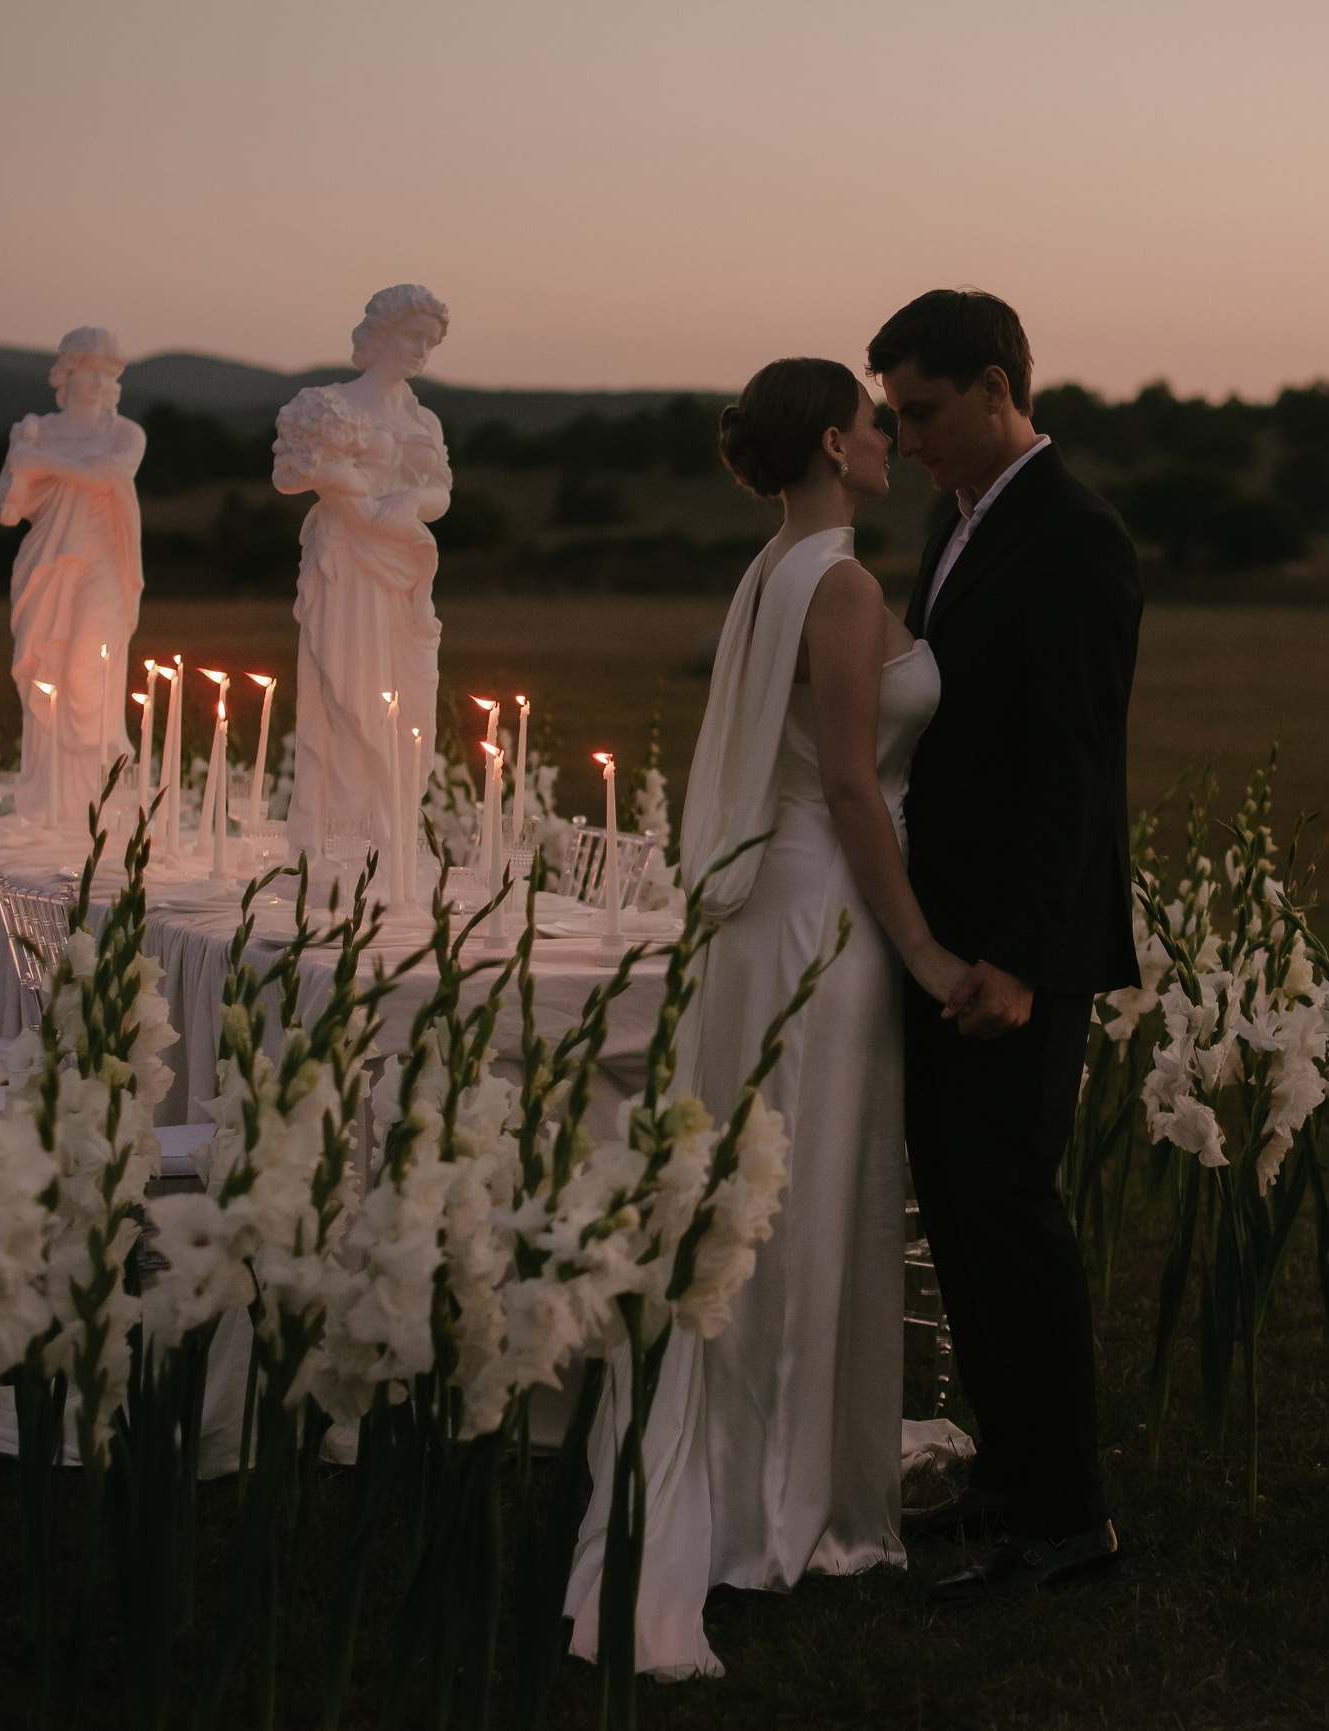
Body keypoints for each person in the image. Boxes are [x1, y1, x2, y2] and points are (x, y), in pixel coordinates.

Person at [564, 357, 962, 1678]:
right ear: (833, 445)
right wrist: (924, 948)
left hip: (763, 911)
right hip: (820, 914)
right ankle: (789, 1501)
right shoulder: (837, 586)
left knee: (767, 1182)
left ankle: (777, 1468)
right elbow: (849, 786)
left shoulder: (767, 571)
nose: (889, 440)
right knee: (808, 1185)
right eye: (873, 425)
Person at [872, 288, 1142, 1600]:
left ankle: (1068, 1519)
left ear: (995, 387)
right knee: (962, 1210)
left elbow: (1069, 766)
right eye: (892, 416)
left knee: (1011, 1214)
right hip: (946, 932)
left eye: (923, 411)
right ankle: (1008, 1473)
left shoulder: (1075, 536)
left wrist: (1023, 957)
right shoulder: (959, 518)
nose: (905, 438)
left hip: (1015, 949)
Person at [274, 284, 453, 865]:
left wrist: (411, 502)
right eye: (412, 336)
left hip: (403, 567)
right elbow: (287, 475)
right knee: (348, 693)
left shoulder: (424, 418)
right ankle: (343, 840)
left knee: (410, 699)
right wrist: (337, 482)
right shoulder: (330, 404)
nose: (421, 351)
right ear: (380, 335)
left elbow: (442, 492)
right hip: (348, 565)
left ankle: (392, 835)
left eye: (430, 342)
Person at [0, 326, 147, 828]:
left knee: (83, 670)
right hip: (46, 562)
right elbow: (6, 512)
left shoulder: (124, 435)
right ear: (65, 374)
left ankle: (101, 798)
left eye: (109, 374)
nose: (101, 383)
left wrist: (39, 461)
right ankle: (48, 799)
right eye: (90, 371)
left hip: (101, 565)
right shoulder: (37, 431)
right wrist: (19, 464)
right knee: (44, 670)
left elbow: (107, 476)